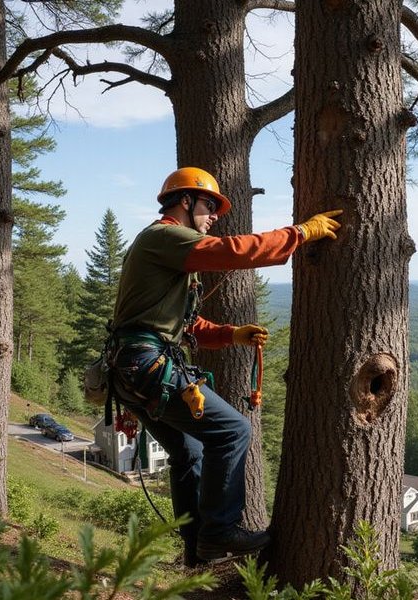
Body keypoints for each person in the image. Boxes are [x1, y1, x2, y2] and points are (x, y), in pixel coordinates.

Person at [110, 166, 342, 566]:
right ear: (185, 202)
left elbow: (185, 324)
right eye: (208, 205)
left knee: (189, 451)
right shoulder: (163, 235)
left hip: (134, 368)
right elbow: (232, 251)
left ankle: (196, 548)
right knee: (233, 431)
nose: (214, 214)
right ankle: (218, 533)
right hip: (145, 365)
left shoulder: (163, 248)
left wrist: (231, 335)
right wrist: (299, 233)